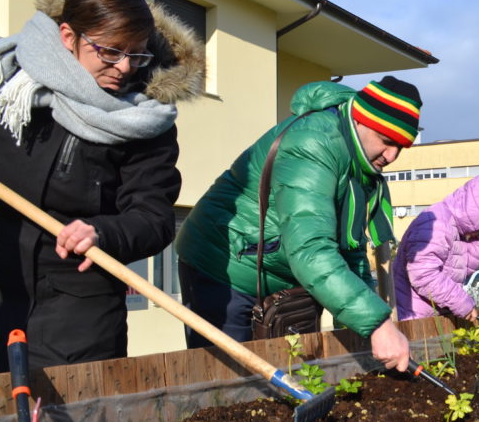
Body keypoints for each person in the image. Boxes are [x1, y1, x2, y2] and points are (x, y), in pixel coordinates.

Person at [0, 0, 204, 375]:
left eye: (137, 55)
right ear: (69, 36)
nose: (124, 68)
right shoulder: (6, 79)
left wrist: (102, 231)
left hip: (79, 310)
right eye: (110, 52)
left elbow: (153, 220)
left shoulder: (145, 121)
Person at [176, 76, 422, 371]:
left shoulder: (359, 164)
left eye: (402, 147)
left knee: (284, 378)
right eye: (387, 141)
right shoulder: (313, 143)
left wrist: (365, 323)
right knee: (229, 384)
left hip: (276, 270)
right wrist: (378, 325)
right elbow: (311, 248)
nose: (392, 155)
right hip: (223, 266)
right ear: (362, 121)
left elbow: (350, 250)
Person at [392, 174, 479, 322]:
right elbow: (424, 275)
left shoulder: (456, 230)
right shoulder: (437, 223)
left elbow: (455, 271)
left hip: (430, 317)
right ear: (476, 214)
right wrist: (462, 304)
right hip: (413, 318)